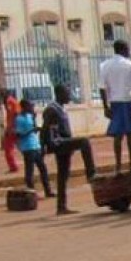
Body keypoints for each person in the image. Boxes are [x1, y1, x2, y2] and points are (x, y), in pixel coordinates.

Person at [42, 85, 97, 215]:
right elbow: (45, 129)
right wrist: (44, 146)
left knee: (63, 175)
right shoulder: (52, 109)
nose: (69, 96)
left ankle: (61, 207)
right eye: (67, 93)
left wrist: (70, 145)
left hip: (63, 142)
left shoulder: (60, 108)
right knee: (84, 142)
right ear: (59, 94)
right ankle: (91, 173)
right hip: (58, 143)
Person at [99, 39, 131, 174]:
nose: (129, 51)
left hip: (115, 102)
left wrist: (105, 106)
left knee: (118, 136)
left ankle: (118, 165)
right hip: (128, 101)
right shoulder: (130, 65)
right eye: (127, 49)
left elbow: (102, 88)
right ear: (123, 50)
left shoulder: (105, 65)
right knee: (130, 134)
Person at [15, 99, 52, 198]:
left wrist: (34, 120)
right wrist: (30, 130)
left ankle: (48, 191)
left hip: (35, 146)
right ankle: (31, 193)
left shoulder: (30, 116)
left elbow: (34, 130)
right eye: (30, 106)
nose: (32, 108)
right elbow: (19, 135)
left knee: (43, 169)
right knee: (29, 171)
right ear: (24, 107)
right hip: (27, 147)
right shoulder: (19, 119)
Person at [2, 89, 20, 173]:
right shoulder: (13, 101)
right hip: (14, 127)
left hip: (12, 128)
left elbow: (14, 114)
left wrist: (10, 128)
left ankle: (13, 166)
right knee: (19, 146)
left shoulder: (9, 101)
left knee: (8, 148)